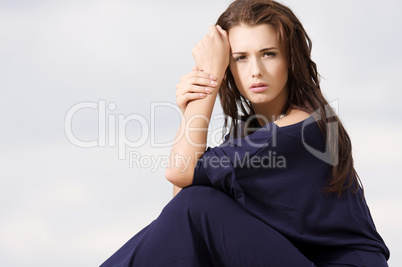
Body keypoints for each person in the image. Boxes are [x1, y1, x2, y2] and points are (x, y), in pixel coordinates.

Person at [100, 0, 390, 266]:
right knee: (197, 202)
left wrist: (206, 84)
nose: (256, 70)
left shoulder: (301, 129)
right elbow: (181, 213)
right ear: (230, 67)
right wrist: (190, 110)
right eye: (240, 58)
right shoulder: (250, 133)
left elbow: (182, 178)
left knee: (199, 205)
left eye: (268, 54)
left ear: (291, 60)